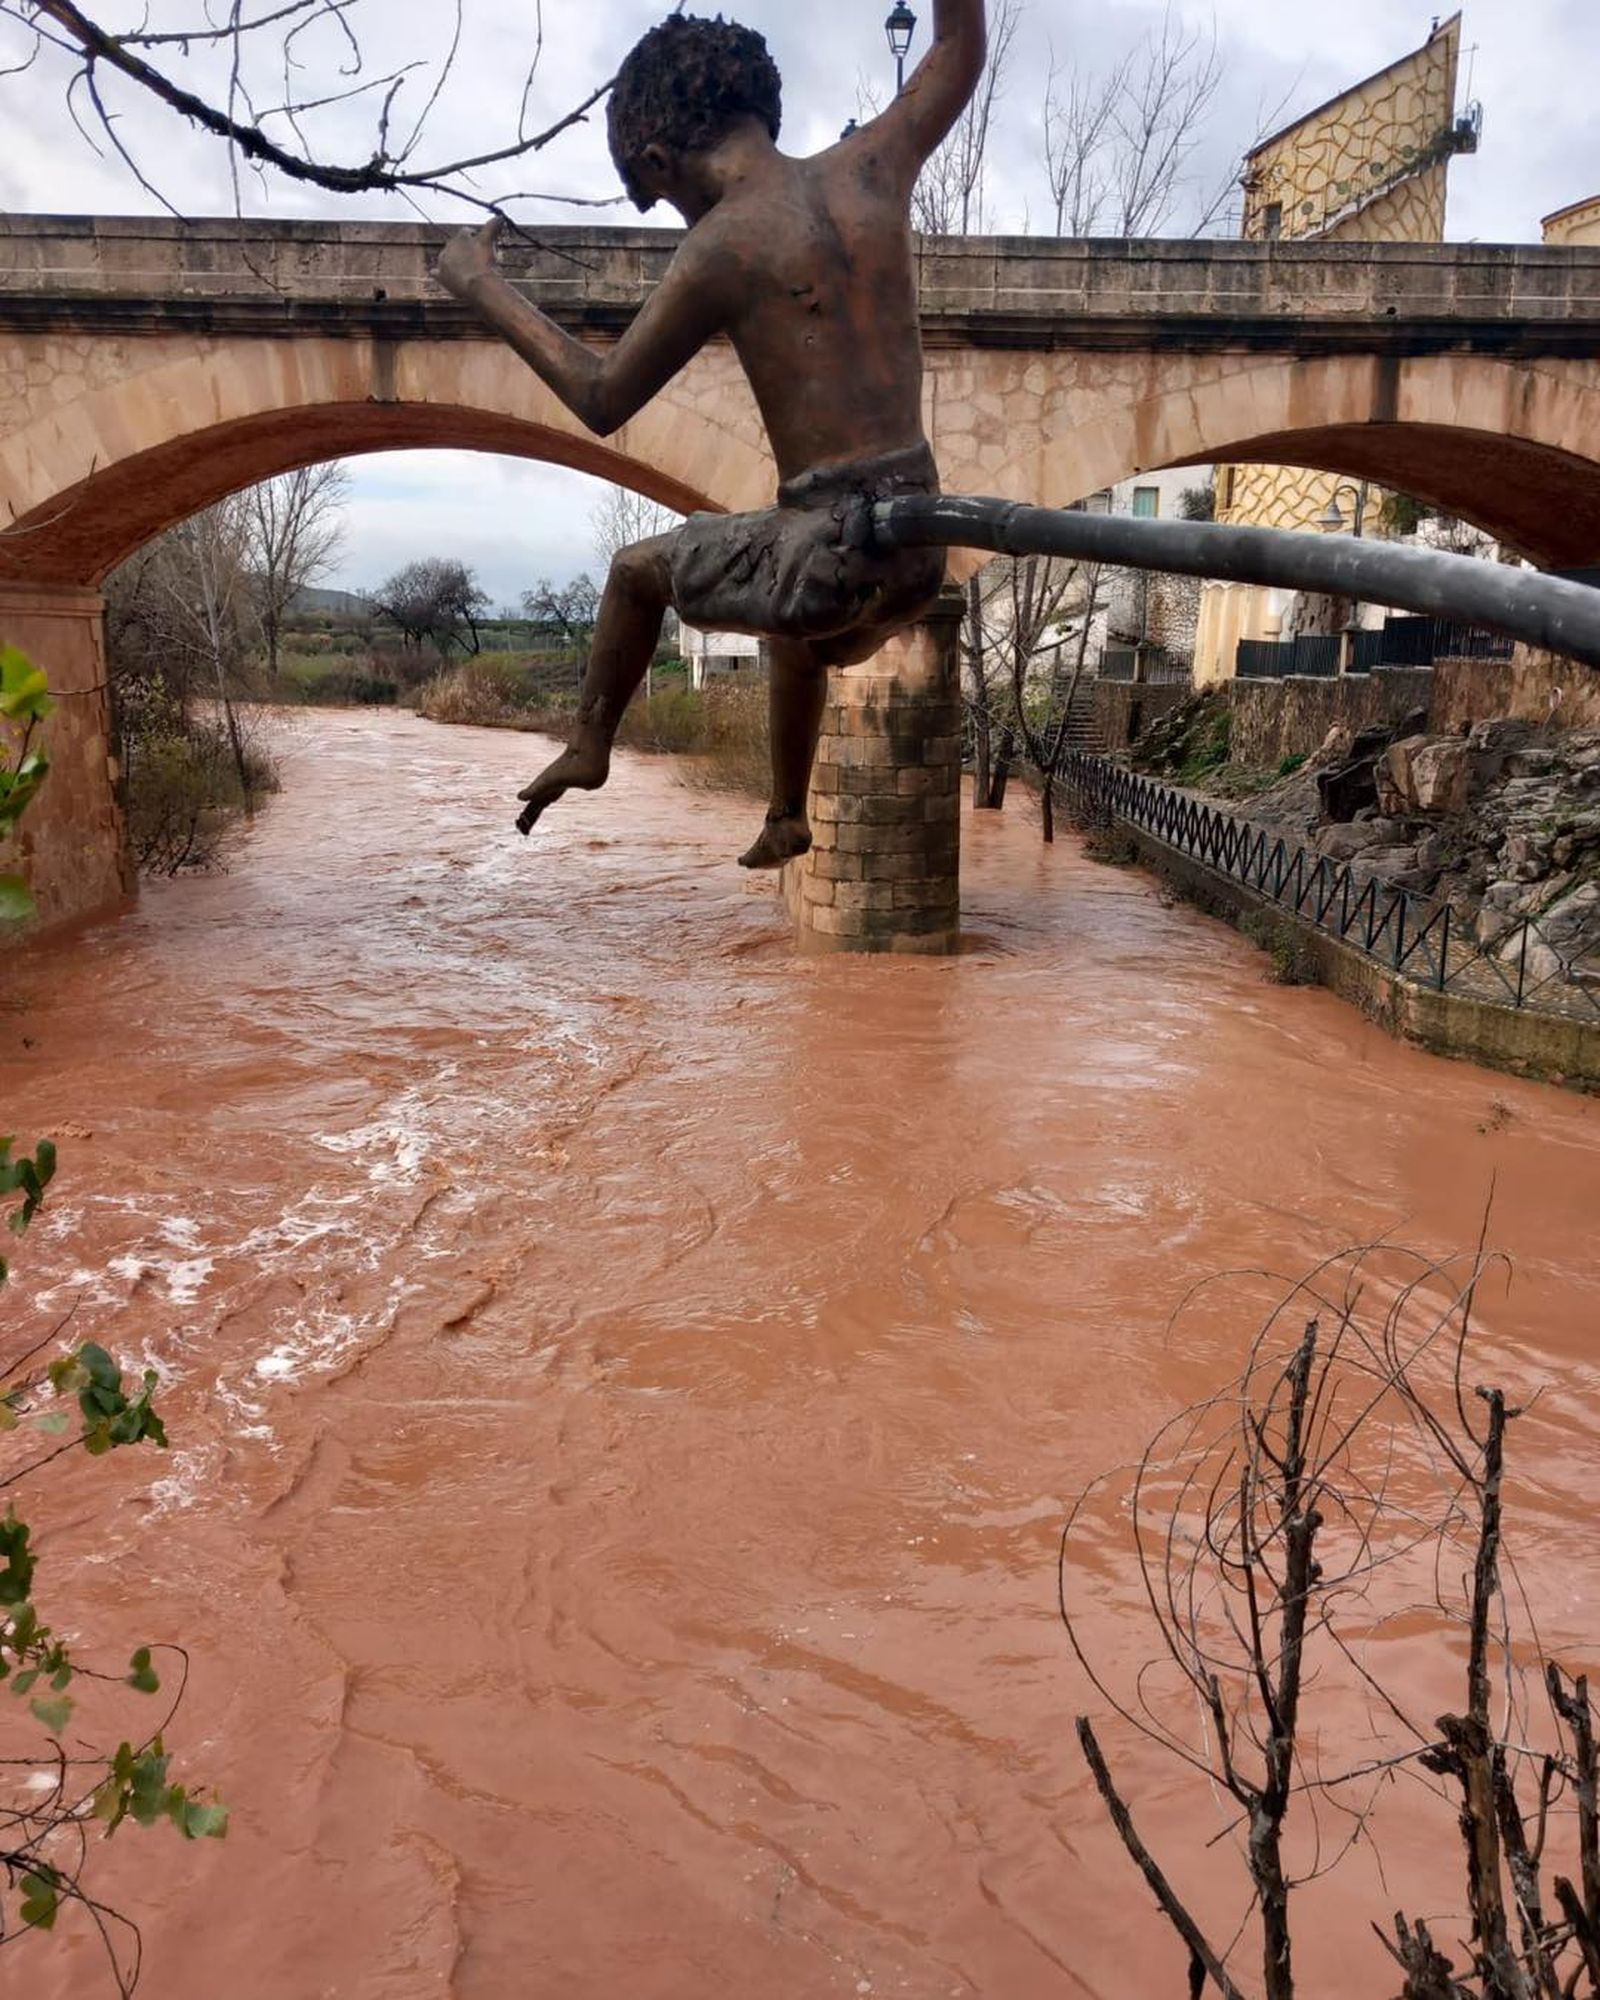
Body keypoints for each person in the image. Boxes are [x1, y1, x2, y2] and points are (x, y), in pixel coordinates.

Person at [436, 1, 986, 867]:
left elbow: (600, 395)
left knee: (636, 573)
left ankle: (590, 745)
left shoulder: (721, 246)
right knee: (788, 602)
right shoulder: (875, 164)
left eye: (662, 198)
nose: (677, 217)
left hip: (833, 558)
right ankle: (786, 813)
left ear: (660, 158)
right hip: (920, 549)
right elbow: (958, 46)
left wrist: (479, 286)